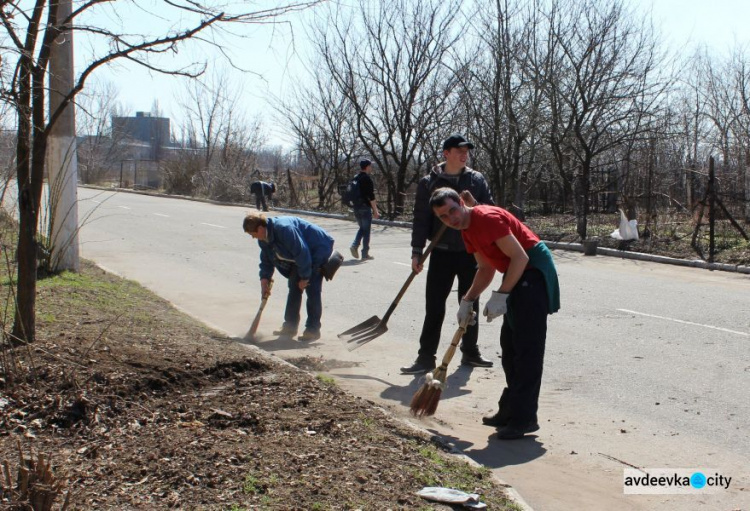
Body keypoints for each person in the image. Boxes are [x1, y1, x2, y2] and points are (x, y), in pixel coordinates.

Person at [429, 187, 560, 440]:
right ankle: (510, 410)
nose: (451, 219)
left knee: (527, 351)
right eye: (444, 217)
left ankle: (524, 419)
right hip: (518, 273)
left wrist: (501, 294)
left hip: (534, 271)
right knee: (509, 348)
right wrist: (468, 300)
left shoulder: (486, 218)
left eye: (453, 210)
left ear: (461, 203)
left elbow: (520, 257)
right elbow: (486, 267)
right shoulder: (467, 230)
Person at [400, 134, 495, 375]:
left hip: (470, 252)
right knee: (434, 305)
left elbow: (491, 212)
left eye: (467, 151)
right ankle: (425, 357)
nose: (464, 154)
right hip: (440, 252)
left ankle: (470, 352)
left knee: (469, 303)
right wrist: (416, 252)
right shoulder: (428, 182)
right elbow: (421, 219)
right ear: (446, 153)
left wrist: (473, 204)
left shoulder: (476, 180)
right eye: (458, 150)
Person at [242, 212, 335, 342]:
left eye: (253, 234)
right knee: (294, 287)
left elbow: (302, 252)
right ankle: (290, 326)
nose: (253, 237)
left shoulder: (284, 229)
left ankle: (312, 330)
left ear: (260, 228)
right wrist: (264, 280)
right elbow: (267, 260)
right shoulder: (263, 239)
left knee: (312, 289)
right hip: (301, 256)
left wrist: (305, 278)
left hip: (318, 249)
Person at [349, 159, 380, 260]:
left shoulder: (356, 178)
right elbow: (371, 196)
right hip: (365, 207)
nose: (371, 168)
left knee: (363, 229)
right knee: (366, 230)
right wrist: (375, 210)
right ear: (367, 167)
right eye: (370, 166)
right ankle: (362, 251)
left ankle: (359, 249)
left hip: (356, 207)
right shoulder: (367, 179)